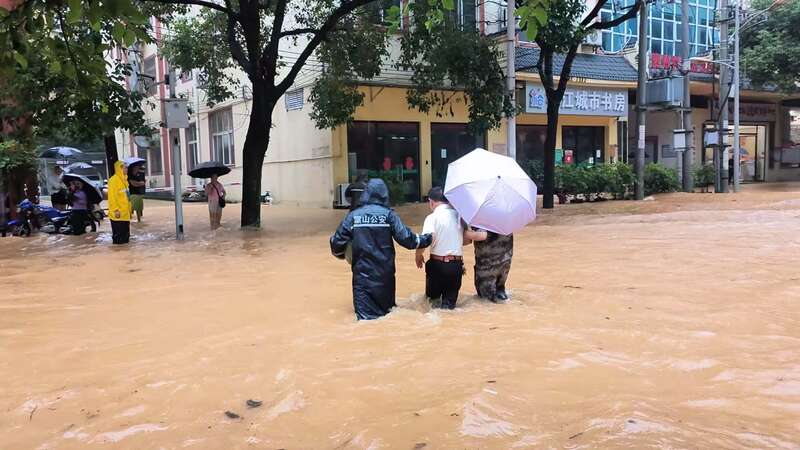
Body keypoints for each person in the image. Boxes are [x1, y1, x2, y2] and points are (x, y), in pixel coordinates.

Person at [330, 179, 432, 320]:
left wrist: (344, 254)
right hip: (386, 278)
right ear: (384, 195)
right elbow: (408, 240)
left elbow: (336, 244)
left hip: (362, 278)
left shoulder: (353, 216)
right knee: (386, 316)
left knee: (365, 321)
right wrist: (427, 239)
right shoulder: (389, 215)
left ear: (366, 194)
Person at [415, 187, 485, 310]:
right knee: (449, 308)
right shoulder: (459, 217)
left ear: (431, 202)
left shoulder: (432, 218)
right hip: (455, 267)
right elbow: (467, 241)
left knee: (432, 305)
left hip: (437, 265)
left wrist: (418, 255)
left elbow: (426, 240)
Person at [470, 228, 514, 303]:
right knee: (499, 290)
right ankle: (501, 294)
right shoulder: (507, 224)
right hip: (504, 261)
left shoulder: (481, 224)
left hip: (487, 266)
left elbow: (475, 237)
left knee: (485, 297)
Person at [107, 160, 131, 244]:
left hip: (125, 214)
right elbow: (111, 197)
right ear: (120, 168)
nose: (127, 169)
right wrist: (115, 210)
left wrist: (130, 209)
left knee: (126, 238)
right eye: (125, 168)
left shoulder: (125, 180)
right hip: (118, 215)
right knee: (119, 239)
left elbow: (127, 197)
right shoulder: (113, 180)